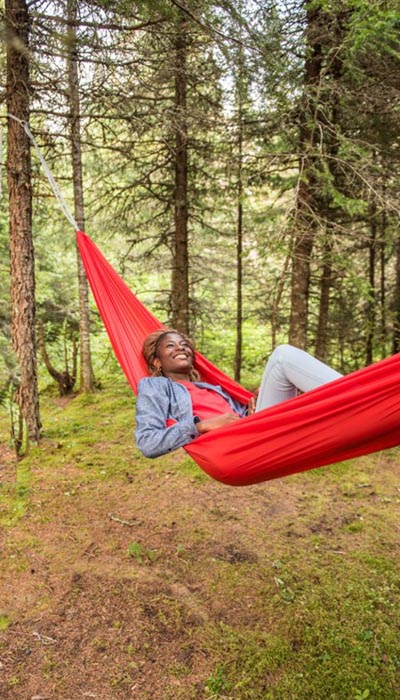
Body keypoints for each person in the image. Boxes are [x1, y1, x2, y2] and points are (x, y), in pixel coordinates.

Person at [135, 329, 342, 458]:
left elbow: (235, 417)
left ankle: (356, 397)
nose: (181, 348)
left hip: (252, 431)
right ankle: (348, 393)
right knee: (282, 357)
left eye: (185, 345)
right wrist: (201, 426)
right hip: (235, 449)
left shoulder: (209, 388)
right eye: (171, 345)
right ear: (157, 361)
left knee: (283, 366)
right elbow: (147, 442)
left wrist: (249, 411)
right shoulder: (154, 386)